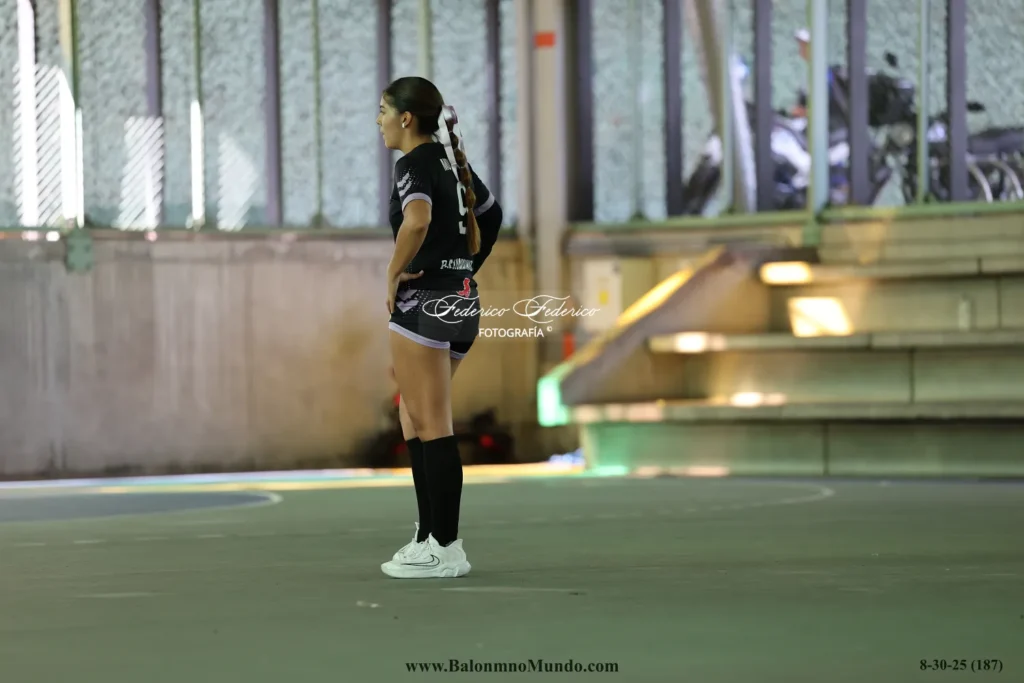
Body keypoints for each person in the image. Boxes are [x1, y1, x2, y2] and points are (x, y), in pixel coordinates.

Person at [375, 76, 504, 579]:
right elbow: (491, 218)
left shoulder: (414, 163)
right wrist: (464, 270)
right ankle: (428, 535)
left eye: (383, 110)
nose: (379, 121)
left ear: (406, 118)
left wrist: (394, 272)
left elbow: (417, 220)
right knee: (414, 417)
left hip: (424, 304)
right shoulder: (452, 165)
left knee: (431, 423)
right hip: (462, 302)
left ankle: (446, 547)